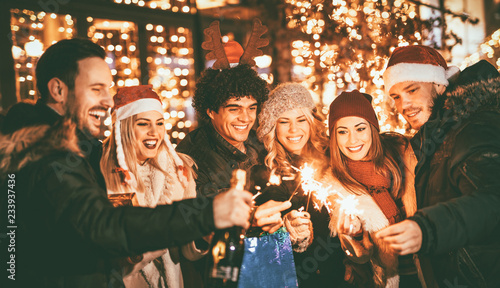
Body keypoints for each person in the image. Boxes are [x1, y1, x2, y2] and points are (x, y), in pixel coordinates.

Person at [0, 38, 252, 288]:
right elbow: (102, 226)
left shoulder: (74, 148)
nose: (109, 101)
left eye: (108, 90)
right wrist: (206, 212)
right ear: (58, 90)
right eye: (96, 89)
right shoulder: (44, 154)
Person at [376, 45, 500, 287]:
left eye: (412, 90)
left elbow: (494, 198)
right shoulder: (432, 137)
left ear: (440, 85)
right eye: (396, 96)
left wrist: (428, 228)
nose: (404, 105)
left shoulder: (473, 126)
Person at [101, 85, 207, 287]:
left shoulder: (180, 170)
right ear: (123, 127)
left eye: (159, 123)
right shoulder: (99, 172)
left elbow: (187, 248)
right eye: (143, 124)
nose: (154, 132)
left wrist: (204, 236)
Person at [255, 82, 348, 287]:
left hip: (342, 275)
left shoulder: (334, 156)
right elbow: (267, 227)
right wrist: (288, 228)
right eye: (284, 121)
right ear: (273, 126)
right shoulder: (265, 173)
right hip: (299, 278)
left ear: (311, 122)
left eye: (301, 119)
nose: (294, 129)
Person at [327, 90, 419, 288]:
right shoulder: (334, 186)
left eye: (360, 129)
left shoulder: (404, 157)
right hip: (386, 280)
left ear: (372, 129)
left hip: (425, 272)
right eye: (342, 131)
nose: (352, 140)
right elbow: (354, 257)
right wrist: (355, 243)